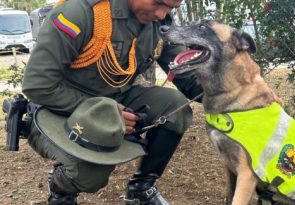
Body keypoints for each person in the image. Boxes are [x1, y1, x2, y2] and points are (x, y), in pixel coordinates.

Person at [22, 0, 202, 204]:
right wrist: (104, 113)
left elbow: (184, 71)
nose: (162, 14)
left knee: (174, 107)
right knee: (91, 175)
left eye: (170, 8)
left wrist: (229, 96)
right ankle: (61, 189)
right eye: (158, 3)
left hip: (116, 100)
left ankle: (141, 189)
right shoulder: (82, 13)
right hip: (58, 109)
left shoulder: (156, 23)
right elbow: (37, 84)